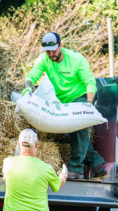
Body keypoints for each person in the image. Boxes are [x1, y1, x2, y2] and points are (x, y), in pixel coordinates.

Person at [22, 32, 107, 180]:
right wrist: (27, 88)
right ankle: (96, 162)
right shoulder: (44, 59)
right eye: (48, 51)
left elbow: (90, 82)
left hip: (81, 96)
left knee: (79, 129)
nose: (51, 53)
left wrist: (88, 105)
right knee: (68, 130)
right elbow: (31, 77)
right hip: (63, 101)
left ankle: (76, 168)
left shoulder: (76, 59)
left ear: (61, 45)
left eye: (54, 49)